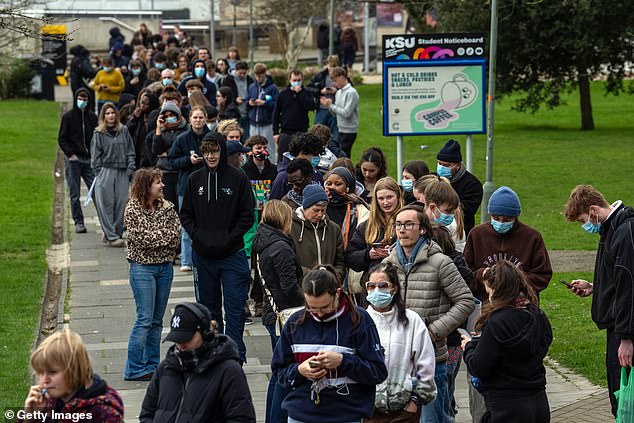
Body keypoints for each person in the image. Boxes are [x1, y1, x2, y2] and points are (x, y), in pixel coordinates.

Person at [463, 185, 552, 422]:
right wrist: (485, 276)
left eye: (507, 218)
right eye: (496, 218)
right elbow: (467, 272)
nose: (501, 222)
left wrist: (512, 282)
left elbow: (543, 275)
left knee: (516, 364)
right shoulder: (477, 235)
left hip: (521, 311)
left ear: (516, 216)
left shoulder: (531, 237)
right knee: (489, 364)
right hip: (486, 308)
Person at [383, 204, 475, 422]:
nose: (402, 230)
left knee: (433, 419)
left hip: (431, 359)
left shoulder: (440, 263)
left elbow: (465, 301)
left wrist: (433, 332)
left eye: (408, 224)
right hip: (397, 359)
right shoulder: (388, 265)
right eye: (398, 225)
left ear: (422, 229)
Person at [270, 266, 388, 423]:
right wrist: (300, 370)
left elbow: (378, 372)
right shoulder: (294, 322)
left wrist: (342, 361)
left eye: (325, 307)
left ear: (337, 294)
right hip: (300, 414)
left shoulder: (360, 320)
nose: (319, 314)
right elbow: (279, 370)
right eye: (311, 308)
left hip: (345, 415)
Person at [179, 131, 254, 364]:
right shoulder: (194, 179)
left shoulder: (238, 178)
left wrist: (230, 238)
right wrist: (198, 237)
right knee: (209, 310)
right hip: (204, 256)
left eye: (215, 151)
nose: (211, 156)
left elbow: (247, 215)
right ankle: (214, 353)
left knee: (234, 309)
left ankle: (234, 355)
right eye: (207, 152)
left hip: (232, 254)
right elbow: (186, 215)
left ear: (222, 151)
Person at [564, 185, 634, 417]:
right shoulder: (612, 229)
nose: (585, 225)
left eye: (583, 220)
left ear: (594, 210)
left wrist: (626, 338)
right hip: (617, 325)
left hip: (623, 330)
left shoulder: (624, 232)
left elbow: (628, 288)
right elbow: (617, 279)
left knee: (624, 398)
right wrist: (595, 288)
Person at [461, 261, 552, 423]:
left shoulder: (497, 321)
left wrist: (469, 347)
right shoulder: (537, 315)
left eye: (489, 290)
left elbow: (479, 367)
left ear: (497, 290)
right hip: (538, 402)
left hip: (505, 405)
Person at [140, 303, 257, 422]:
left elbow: (242, 419)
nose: (181, 345)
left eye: (186, 338)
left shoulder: (228, 371)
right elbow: (147, 413)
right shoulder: (165, 368)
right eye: (176, 339)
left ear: (204, 333)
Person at [123, 168, 180, 381]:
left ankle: (152, 365)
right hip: (142, 269)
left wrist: (158, 237)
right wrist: (161, 237)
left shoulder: (168, 207)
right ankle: (134, 368)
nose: (163, 186)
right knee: (144, 319)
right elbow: (141, 240)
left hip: (165, 268)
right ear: (147, 186)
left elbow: (175, 236)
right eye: (158, 182)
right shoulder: (132, 209)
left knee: (157, 321)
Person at [252, 200, 305, 423]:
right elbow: (289, 286)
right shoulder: (281, 247)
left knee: (277, 374)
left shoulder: (263, 242)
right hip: (285, 316)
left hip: (272, 314)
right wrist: (311, 301)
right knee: (285, 376)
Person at [365, 262, 437, 422]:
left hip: (404, 412)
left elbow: (426, 365)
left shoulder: (412, 321)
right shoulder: (360, 321)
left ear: (394, 288)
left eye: (383, 285)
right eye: (371, 285)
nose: (376, 290)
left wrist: (415, 402)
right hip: (369, 411)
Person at [24, 329, 124, 421]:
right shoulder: (50, 402)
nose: (44, 379)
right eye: (40, 372)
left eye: (52, 372)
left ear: (74, 370)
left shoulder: (103, 413)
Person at [168, 106, 210, 272]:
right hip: (185, 186)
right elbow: (172, 161)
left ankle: (204, 258)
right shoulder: (182, 138)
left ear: (205, 118)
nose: (198, 120)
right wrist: (187, 160)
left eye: (201, 117)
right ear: (190, 119)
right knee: (186, 225)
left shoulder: (211, 137)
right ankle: (186, 260)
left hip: (207, 184)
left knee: (206, 224)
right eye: (195, 117)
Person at [346, 177, 402, 297]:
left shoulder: (406, 222)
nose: (385, 202)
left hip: (400, 284)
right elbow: (350, 256)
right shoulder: (366, 226)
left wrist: (392, 253)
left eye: (389, 197)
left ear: (398, 196)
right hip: (372, 288)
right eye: (381, 198)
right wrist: (368, 254)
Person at [90, 102, 135, 247]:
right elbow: (95, 156)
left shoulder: (124, 130)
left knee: (121, 203)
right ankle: (111, 235)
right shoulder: (98, 133)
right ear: (103, 116)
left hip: (122, 171)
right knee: (106, 204)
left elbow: (130, 151)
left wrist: (130, 168)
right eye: (107, 113)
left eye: (113, 113)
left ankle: (115, 232)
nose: (111, 116)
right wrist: (98, 172)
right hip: (105, 170)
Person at [58, 88, 98, 234]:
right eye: (80, 98)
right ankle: (78, 222)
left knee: (95, 191)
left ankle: (103, 220)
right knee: (74, 193)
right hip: (73, 159)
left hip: (88, 160)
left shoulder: (92, 117)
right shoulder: (68, 117)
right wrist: (70, 154)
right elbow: (62, 138)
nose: (82, 101)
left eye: (85, 99)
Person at [291, 185, 346, 283]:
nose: (320, 214)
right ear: (305, 207)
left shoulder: (334, 229)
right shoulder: (290, 228)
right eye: (315, 210)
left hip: (329, 287)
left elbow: (340, 261)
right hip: (302, 287)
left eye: (323, 210)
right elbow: (290, 262)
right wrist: (312, 277)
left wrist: (334, 278)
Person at [436, 139, 483, 236]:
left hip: (460, 233)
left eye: (446, 165)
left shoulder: (472, 184)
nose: (441, 167)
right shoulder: (433, 179)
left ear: (458, 165)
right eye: (440, 163)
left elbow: (467, 210)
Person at [151, 101, 188, 207]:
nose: (169, 118)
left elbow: (182, 149)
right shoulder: (163, 131)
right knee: (167, 204)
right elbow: (156, 150)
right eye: (166, 116)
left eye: (171, 115)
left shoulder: (185, 130)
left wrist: (167, 153)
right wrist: (158, 128)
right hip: (165, 171)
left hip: (179, 171)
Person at [272, 70, 317, 158]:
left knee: (301, 159)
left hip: (301, 132)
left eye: (298, 80)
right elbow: (276, 113)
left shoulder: (307, 93)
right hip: (286, 132)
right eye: (294, 80)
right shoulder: (283, 94)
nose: (296, 82)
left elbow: (311, 107)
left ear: (302, 79)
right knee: (283, 159)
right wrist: (275, 132)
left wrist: (300, 93)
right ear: (290, 80)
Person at [323, 166, 369, 250]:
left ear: (348, 187)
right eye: (329, 184)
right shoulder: (321, 207)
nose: (332, 187)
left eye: (338, 184)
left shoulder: (359, 209)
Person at [320, 67, 359, 158]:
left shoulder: (352, 92)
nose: (334, 83)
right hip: (340, 129)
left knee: (344, 156)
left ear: (342, 77)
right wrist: (328, 105)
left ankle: (346, 171)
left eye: (335, 80)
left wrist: (331, 106)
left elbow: (346, 113)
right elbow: (337, 113)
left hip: (349, 130)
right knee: (339, 155)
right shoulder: (338, 92)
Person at [246, 63, 279, 162]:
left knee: (268, 149)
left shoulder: (272, 88)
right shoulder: (252, 87)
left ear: (265, 74)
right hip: (253, 124)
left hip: (267, 124)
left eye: (260, 76)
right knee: (254, 149)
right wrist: (250, 103)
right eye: (256, 76)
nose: (258, 78)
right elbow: (246, 101)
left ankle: (272, 169)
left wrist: (264, 103)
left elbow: (277, 105)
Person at [423, 178, 466, 252]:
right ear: (432, 207)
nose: (452, 215)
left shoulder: (453, 226)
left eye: (453, 211)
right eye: (448, 211)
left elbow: (459, 251)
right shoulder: (416, 224)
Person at [242, 135, 278, 217]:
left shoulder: (274, 169)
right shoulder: (244, 171)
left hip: (269, 213)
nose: (262, 151)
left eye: (265, 148)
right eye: (258, 148)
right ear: (250, 151)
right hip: (251, 213)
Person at [309, 55, 340, 142]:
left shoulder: (341, 75)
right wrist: (321, 91)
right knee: (316, 134)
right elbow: (308, 88)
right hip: (322, 109)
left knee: (335, 136)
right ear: (327, 65)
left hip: (335, 109)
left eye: (334, 66)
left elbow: (348, 87)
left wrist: (336, 90)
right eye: (331, 66)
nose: (332, 69)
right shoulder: (320, 76)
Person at [222, 61, 254, 136]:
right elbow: (225, 95)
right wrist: (235, 100)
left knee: (246, 137)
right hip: (233, 113)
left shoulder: (249, 80)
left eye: (244, 73)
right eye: (240, 73)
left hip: (247, 112)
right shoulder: (228, 80)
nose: (242, 75)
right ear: (235, 71)